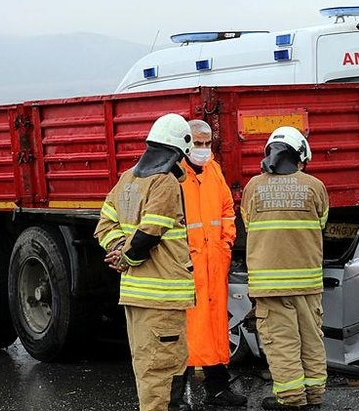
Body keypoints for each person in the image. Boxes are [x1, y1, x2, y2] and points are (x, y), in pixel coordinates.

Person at [94, 113, 195, 411]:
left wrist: (116, 250)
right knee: (163, 367)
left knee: (146, 363)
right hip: (163, 296)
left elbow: (105, 224)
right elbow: (151, 231)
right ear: (180, 150)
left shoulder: (127, 179)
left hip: (136, 294)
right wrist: (126, 257)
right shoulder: (164, 182)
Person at [241, 126, 329, 410]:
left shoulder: (253, 187)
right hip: (308, 282)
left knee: (282, 342)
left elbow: (247, 224)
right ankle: (314, 394)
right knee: (311, 339)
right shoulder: (316, 187)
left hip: (270, 285)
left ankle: (291, 398)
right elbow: (322, 224)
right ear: (300, 155)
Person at [181, 119, 247, 407]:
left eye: (208, 144)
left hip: (213, 262)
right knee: (186, 330)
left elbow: (226, 209)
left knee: (215, 327)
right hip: (188, 265)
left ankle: (217, 388)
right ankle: (176, 395)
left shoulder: (214, 170)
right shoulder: (175, 176)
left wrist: (226, 243)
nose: (204, 149)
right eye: (198, 143)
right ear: (186, 144)